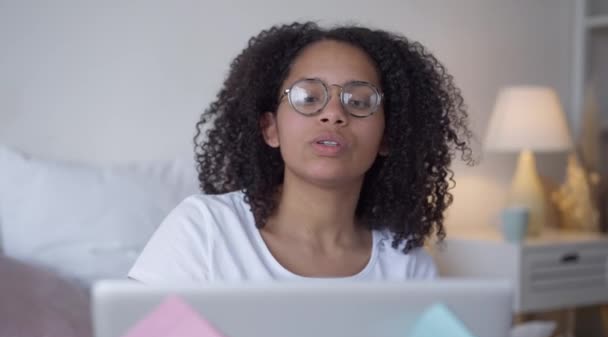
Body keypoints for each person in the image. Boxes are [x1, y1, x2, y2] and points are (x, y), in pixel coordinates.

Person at [128, 22, 473, 284]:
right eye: (308, 97)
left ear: (387, 137)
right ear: (270, 129)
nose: (334, 113)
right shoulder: (204, 230)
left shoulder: (407, 264)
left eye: (359, 101)